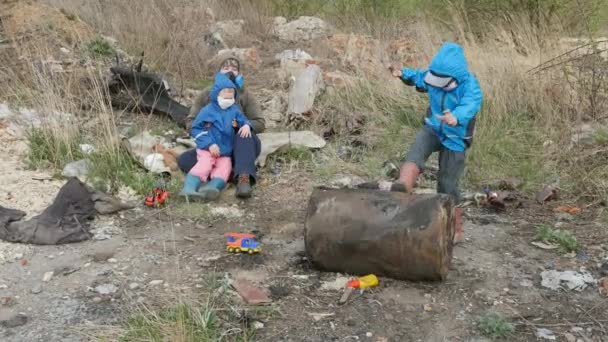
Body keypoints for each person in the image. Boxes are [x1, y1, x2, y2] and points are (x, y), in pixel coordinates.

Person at [389, 42, 483, 243]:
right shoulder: (434, 78)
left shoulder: (469, 85)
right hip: (433, 128)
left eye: (443, 83)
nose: (437, 85)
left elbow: (471, 104)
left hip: (455, 137)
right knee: (417, 149)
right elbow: (419, 77)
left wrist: (456, 116)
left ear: (456, 78)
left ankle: (454, 226)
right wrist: (403, 73)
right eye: (435, 80)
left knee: (447, 182)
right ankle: (404, 183)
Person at [179, 57, 265, 198]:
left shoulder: (245, 94)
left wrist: (244, 126)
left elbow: (260, 122)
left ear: (239, 74)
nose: (230, 71)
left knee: (243, 135)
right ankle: (225, 175)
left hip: (241, 146)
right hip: (215, 147)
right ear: (218, 72)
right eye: (226, 68)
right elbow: (191, 122)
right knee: (184, 160)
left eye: (234, 69)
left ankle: (243, 179)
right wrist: (209, 133)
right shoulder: (207, 94)